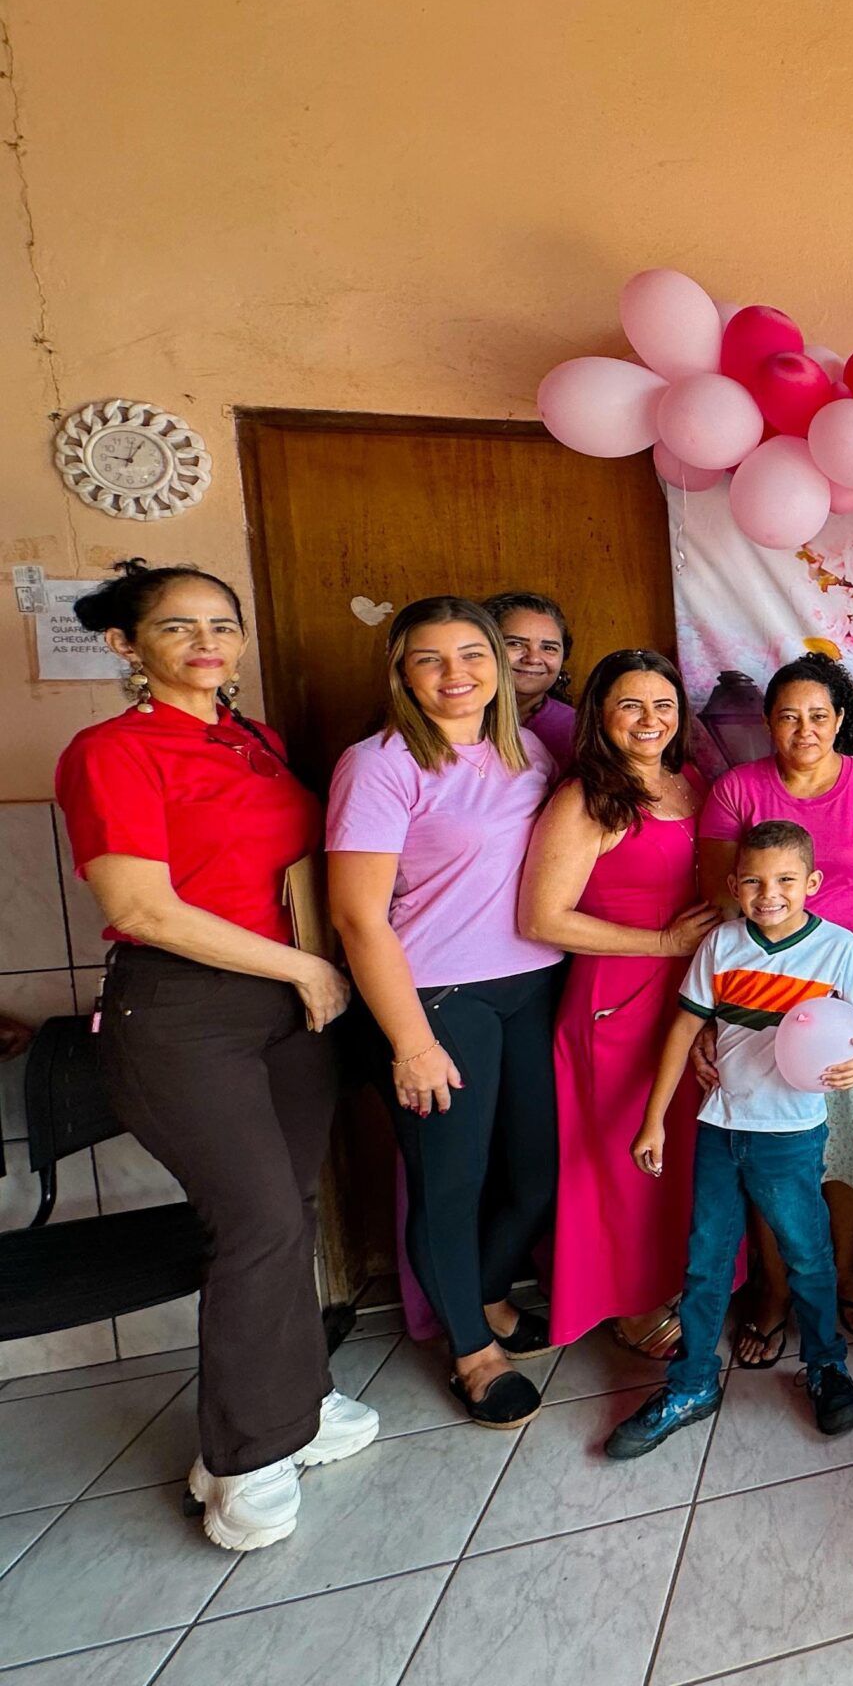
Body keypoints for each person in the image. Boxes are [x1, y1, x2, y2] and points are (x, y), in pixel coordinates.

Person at [54, 560, 377, 1551]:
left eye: (222, 625)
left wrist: (326, 963)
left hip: (288, 1005)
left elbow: (295, 865)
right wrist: (307, 970)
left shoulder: (255, 742)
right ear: (127, 647)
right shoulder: (110, 750)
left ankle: (300, 1403)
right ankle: (239, 1458)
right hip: (185, 1014)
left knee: (293, 1211)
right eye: (178, 627)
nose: (207, 643)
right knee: (259, 1222)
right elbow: (139, 908)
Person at [329, 596, 565, 1428]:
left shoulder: (529, 749)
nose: (455, 674)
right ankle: (471, 1347)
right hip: (437, 999)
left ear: (500, 667)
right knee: (450, 1184)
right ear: (401, 672)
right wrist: (410, 1041)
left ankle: (489, 1293)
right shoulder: (379, 763)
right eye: (430, 658)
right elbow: (358, 916)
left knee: (537, 1175)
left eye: (473, 654)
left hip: (533, 987)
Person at [608, 820, 853, 1457]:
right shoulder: (722, 945)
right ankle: (693, 1382)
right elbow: (682, 1030)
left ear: (812, 883)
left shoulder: (838, 949)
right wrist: (653, 1118)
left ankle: (826, 1365)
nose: (770, 894)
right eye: (754, 882)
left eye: (786, 880)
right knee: (705, 1263)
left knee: (809, 1255)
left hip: (789, 1135)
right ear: (734, 884)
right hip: (717, 1127)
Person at [698, 654, 853, 1359]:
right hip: (756, 1002)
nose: (804, 728)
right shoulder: (736, 789)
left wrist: (847, 990)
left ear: (841, 719)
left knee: (845, 1141)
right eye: (789, 715)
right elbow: (719, 907)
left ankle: (846, 1271)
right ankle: (773, 1288)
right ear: (768, 722)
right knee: (769, 1149)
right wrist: (715, 1014)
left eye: (819, 715)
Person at [519, 649, 719, 1357]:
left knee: (685, 1150)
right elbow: (541, 918)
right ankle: (627, 1302)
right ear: (600, 716)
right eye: (631, 705)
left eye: (663, 705)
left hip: (690, 994)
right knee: (621, 1158)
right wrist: (662, 942)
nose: (649, 720)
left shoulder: (690, 779)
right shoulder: (585, 797)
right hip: (616, 998)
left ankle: (683, 1279)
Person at [486, 592, 577, 769]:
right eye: (515, 643)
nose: (533, 658)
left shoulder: (578, 731)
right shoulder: (457, 721)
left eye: (549, 648)